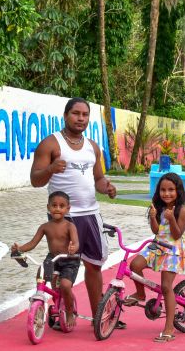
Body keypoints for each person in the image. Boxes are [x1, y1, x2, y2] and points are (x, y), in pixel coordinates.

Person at [30, 97, 118, 326]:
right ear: (65, 115)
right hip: (63, 218)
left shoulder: (92, 146)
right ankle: (60, 312)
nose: (81, 118)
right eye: (76, 113)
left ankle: (98, 315)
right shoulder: (51, 144)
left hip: (90, 214)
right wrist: (50, 168)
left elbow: (98, 179)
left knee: (94, 265)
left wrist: (106, 187)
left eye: (85, 114)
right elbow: (35, 180)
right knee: (61, 266)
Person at [123, 172, 185, 343]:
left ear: (178, 191)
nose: (166, 193)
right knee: (135, 266)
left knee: (167, 287)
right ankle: (140, 294)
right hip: (158, 245)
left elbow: (176, 235)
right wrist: (154, 217)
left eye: (171, 190)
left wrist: (171, 219)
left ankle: (169, 328)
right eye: (163, 190)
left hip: (174, 249)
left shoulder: (182, 210)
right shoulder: (159, 208)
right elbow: (156, 231)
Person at [12, 191, 80, 329]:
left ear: (68, 209)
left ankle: (69, 312)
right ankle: (43, 295)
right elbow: (32, 243)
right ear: (48, 207)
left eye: (62, 206)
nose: (57, 209)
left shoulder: (69, 226)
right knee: (40, 272)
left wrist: (74, 248)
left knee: (65, 286)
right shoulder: (45, 227)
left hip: (68, 259)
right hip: (53, 258)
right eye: (54, 205)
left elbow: (76, 242)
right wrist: (20, 249)